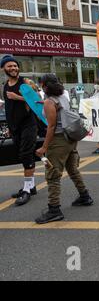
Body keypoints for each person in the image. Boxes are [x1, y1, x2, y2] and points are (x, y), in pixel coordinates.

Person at [34, 74, 93, 224]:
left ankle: (54, 210)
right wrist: (45, 104)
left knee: (53, 175)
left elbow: (52, 127)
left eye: (41, 85)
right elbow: (62, 113)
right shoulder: (63, 98)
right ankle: (85, 196)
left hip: (58, 141)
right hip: (70, 139)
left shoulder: (49, 102)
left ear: (45, 86)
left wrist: (44, 147)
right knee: (73, 169)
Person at [1, 55, 38, 206]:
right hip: (15, 127)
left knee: (26, 155)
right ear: (3, 68)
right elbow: (9, 109)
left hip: (28, 124)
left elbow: (38, 101)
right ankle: (32, 186)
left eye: (15, 66)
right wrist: (9, 127)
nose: (13, 68)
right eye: (10, 66)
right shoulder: (5, 85)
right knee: (24, 155)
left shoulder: (26, 83)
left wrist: (18, 97)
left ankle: (27, 190)